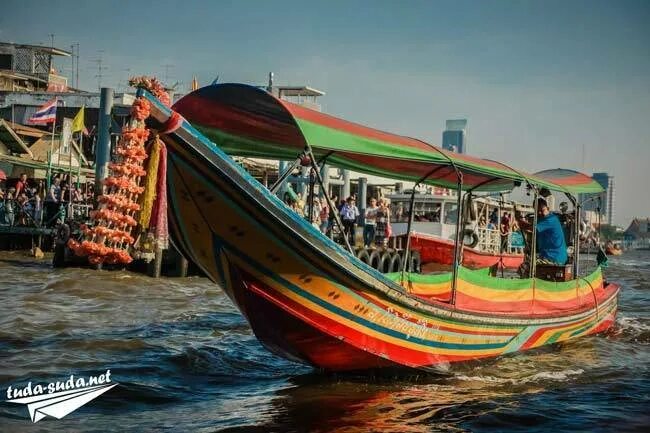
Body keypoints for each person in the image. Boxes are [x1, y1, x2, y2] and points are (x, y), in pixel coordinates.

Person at [518, 197, 568, 266]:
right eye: (537, 211)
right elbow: (530, 230)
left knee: (525, 266)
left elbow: (531, 228)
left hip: (554, 257)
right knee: (527, 261)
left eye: (542, 210)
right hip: (547, 255)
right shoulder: (542, 220)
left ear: (548, 209)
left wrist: (520, 221)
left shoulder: (550, 219)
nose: (539, 213)